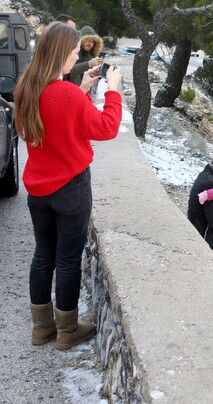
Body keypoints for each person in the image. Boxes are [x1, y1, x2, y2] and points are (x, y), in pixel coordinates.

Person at [14, 22, 123, 350]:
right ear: (63, 53)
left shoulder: (27, 86)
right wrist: (113, 90)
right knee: (67, 259)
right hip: (71, 190)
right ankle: (67, 332)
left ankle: (41, 329)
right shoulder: (65, 93)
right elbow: (106, 128)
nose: (77, 57)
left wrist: (82, 91)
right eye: (75, 53)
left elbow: (54, 118)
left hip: (38, 190)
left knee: (43, 255)